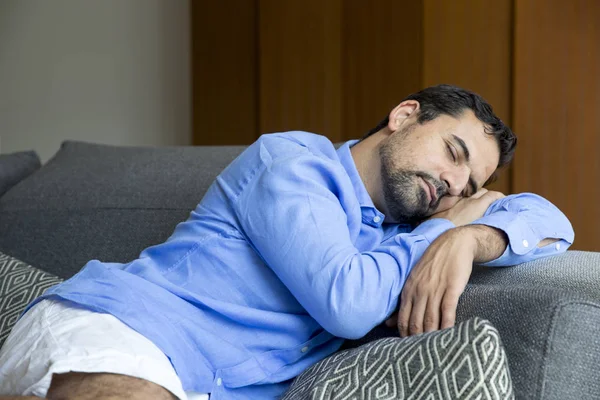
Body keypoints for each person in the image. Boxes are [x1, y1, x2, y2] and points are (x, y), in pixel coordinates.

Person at [0, 85, 574, 400]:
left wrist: (474, 236)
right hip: (129, 330)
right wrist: (441, 231)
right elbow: (347, 305)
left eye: (468, 187)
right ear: (404, 116)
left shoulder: (409, 234)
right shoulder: (294, 163)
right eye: (453, 153)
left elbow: (554, 224)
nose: (453, 185)